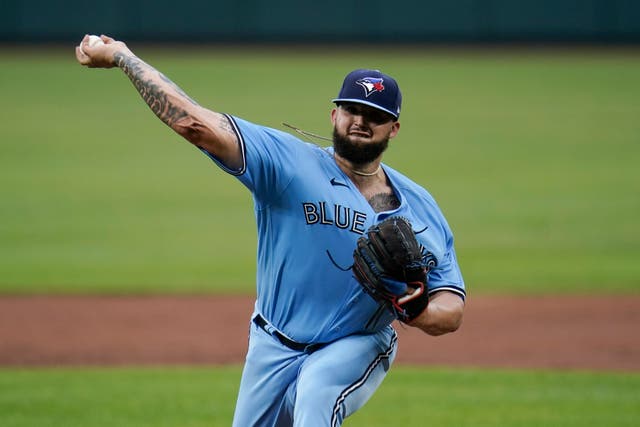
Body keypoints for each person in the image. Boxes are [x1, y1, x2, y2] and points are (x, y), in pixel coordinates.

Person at [76, 34, 466, 426]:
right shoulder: (288, 164)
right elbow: (194, 123)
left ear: (393, 128)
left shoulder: (419, 209)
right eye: (351, 108)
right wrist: (123, 57)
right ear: (334, 115)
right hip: (272, 342)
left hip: (358, 342)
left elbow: (451, 307)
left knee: (316, 395)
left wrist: (417, 310)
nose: (360, 121)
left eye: (375, 115)